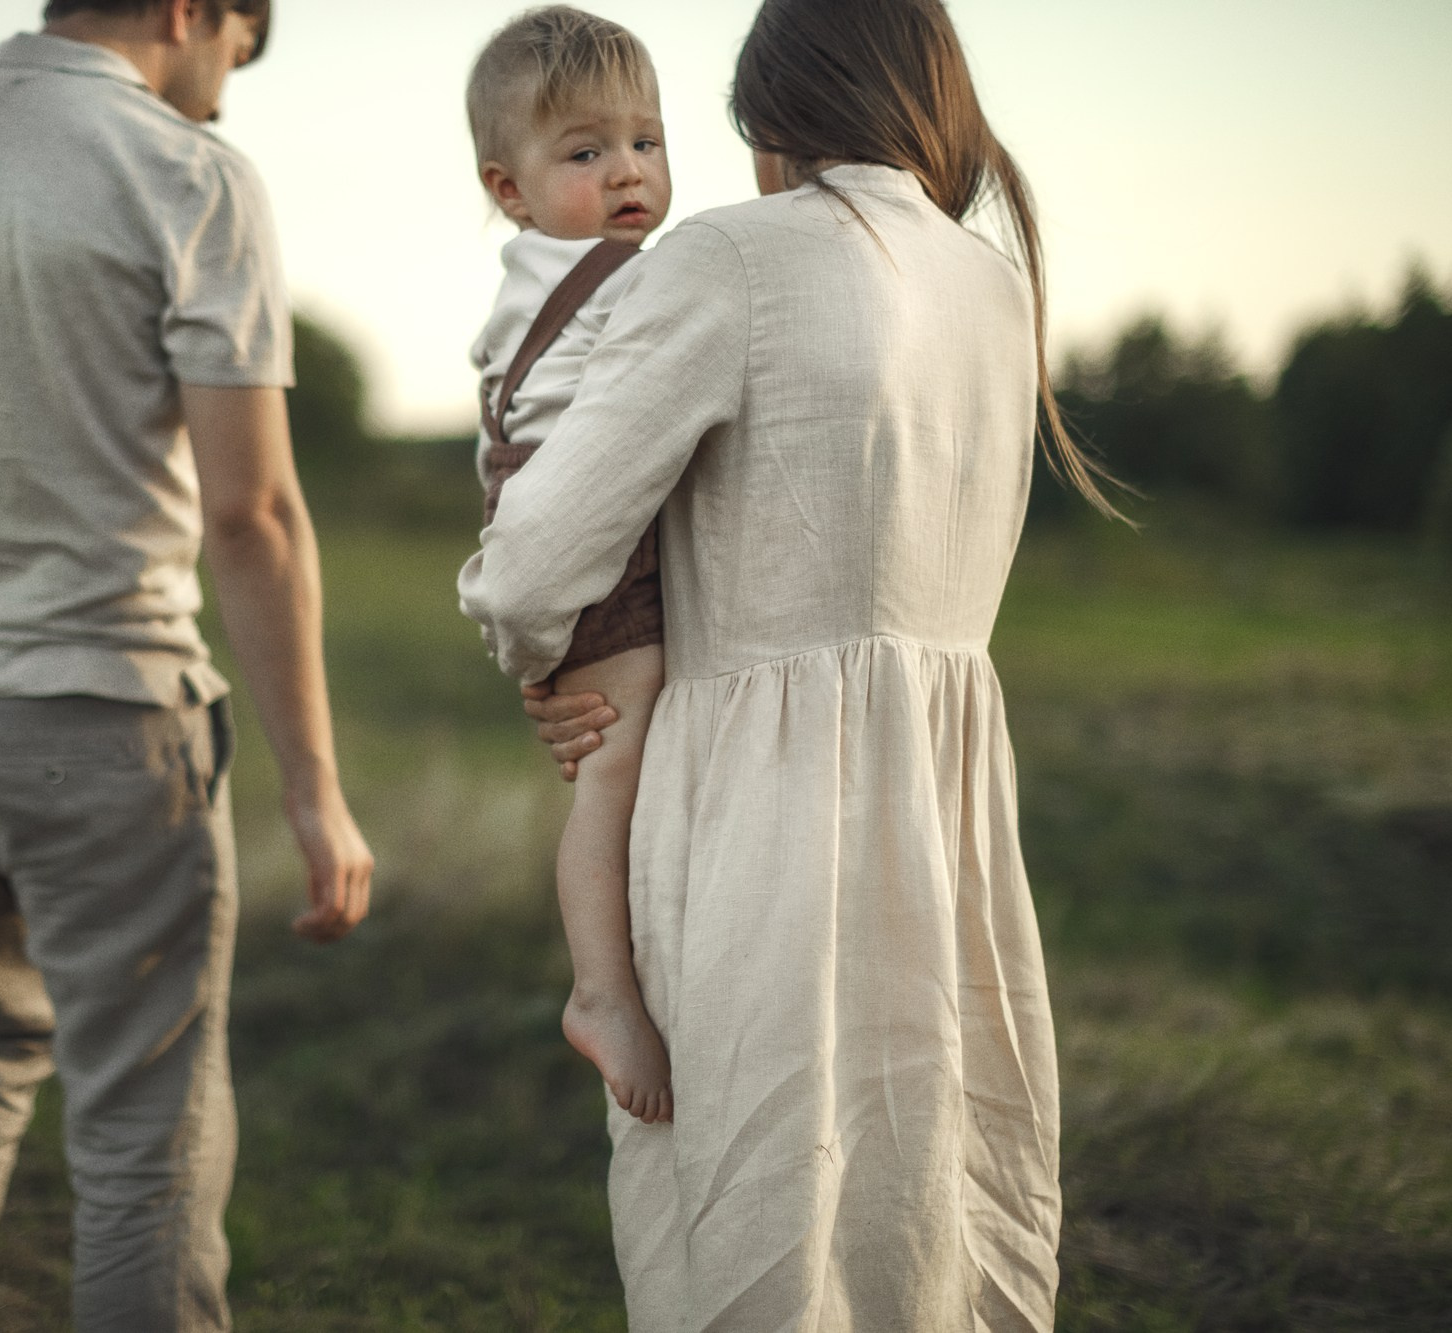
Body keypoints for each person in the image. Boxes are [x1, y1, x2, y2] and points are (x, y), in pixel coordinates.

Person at [462, 0, 1119, 1324]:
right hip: (944, 816)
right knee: (927, 1189)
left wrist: (544, 663)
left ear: (770, 118)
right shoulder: (994, 286)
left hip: (750, 817)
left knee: (758, 1209)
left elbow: (532, 566)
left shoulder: (726, 260)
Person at [0, 0, 374, 1327]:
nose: (219, 95)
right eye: (232, 57)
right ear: (190, 11)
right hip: (103, 707)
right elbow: (253, 515)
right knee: (146, 1121)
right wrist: (316, 787)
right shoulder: (188, 172)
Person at [462, 7, 674, 1126]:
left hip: (548, 517)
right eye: (586, 153)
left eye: (645, 140)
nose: (628, 171)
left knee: (618, 756)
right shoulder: (625, 281)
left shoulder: (535, 275)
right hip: (587, 544)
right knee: (614, 758)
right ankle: (600, 989)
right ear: (510, 189)